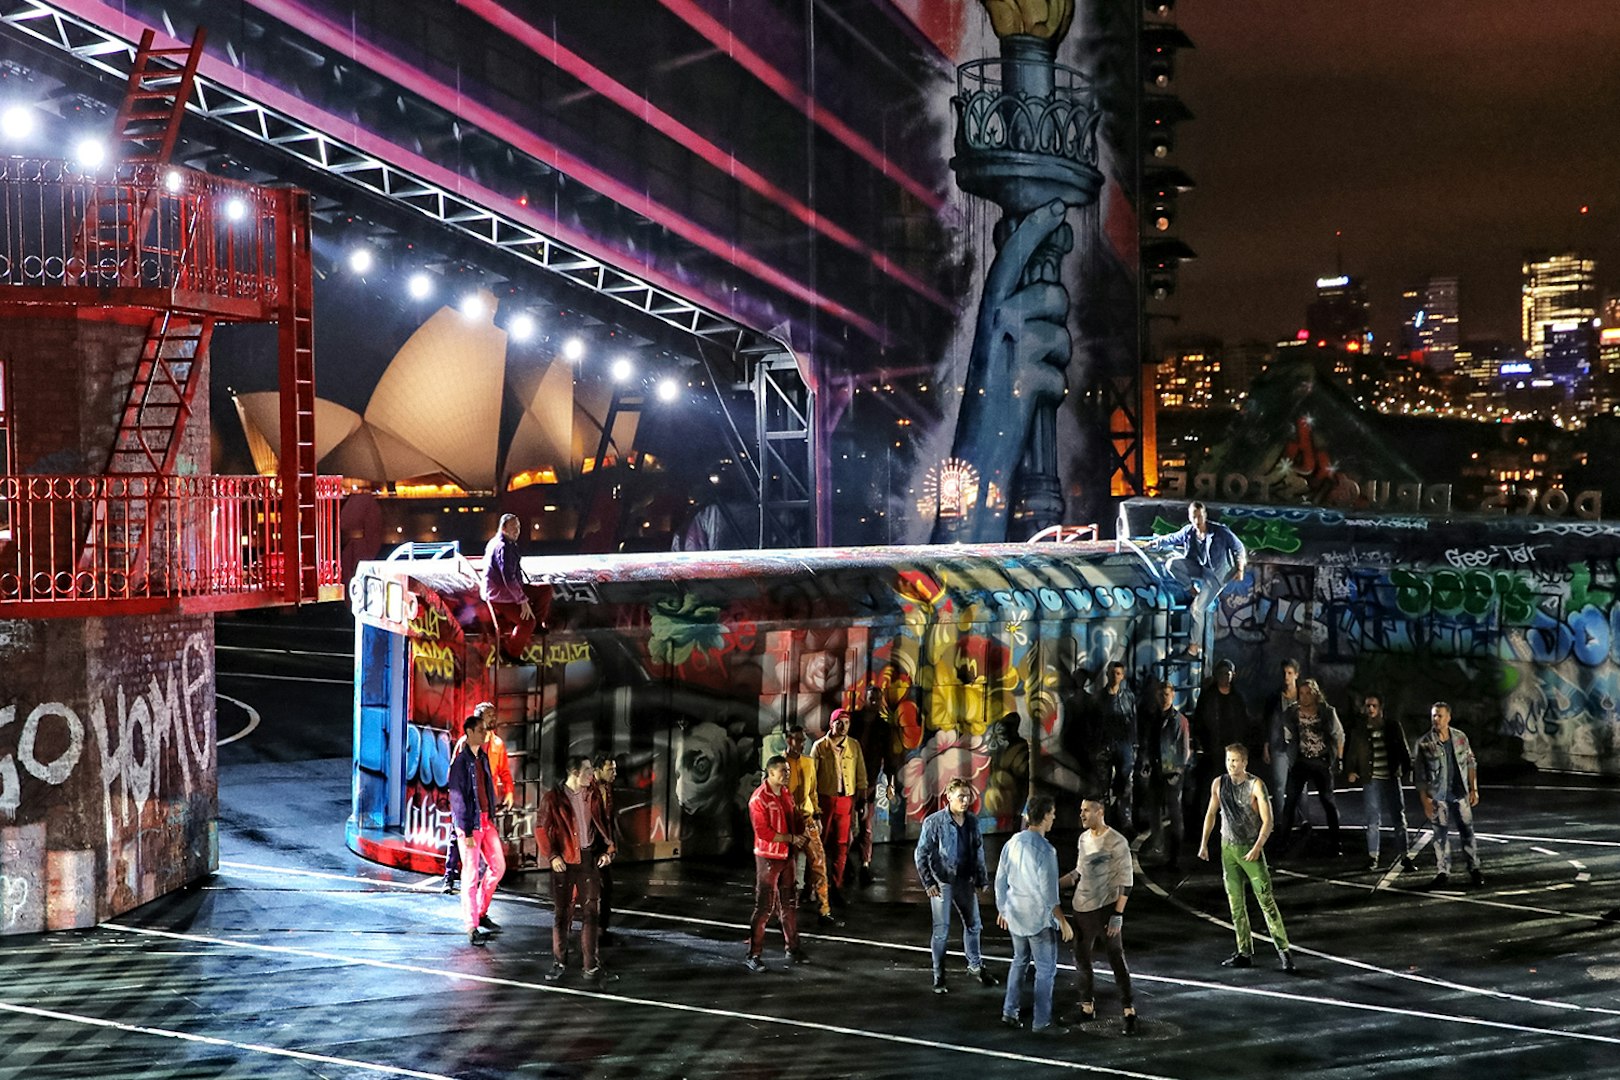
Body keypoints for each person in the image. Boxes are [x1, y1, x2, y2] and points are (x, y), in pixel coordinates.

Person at [1198, 743, 1296, 972]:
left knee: (1265, 899)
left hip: (1250, 848)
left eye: (1235, 760)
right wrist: (1204, 843)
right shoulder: (1218, 784)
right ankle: (1244, 951)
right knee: (1236, 904)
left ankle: (1284, 951)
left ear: (1244, 762)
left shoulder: (1256, 785)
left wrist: (1258, 847)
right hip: (1228, 849)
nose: (1231, 765)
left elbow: (1268, 821)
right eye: (1228, 760)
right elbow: (1211, 813)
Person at [996, 794, 1074, 1034]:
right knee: (1045, 970)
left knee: (1019, 961)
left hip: (1016, 915)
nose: (1053, 819)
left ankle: (1010, 1011)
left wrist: (1003, 909)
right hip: (1038, 920)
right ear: (1045, 816)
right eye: (1052, 814)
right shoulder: (1047, 851)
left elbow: (1000, 880)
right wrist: (1062, 921)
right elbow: (1050, 896)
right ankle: (1041, 1022)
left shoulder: (1012, 842)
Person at [536, 754, 617, 982]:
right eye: (588, 771)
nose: (592, 775)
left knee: (591, 913)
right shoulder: (554, 798)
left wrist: (608, 851)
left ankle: (590, 965)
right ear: (574, 773)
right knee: (563, 914)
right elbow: (541, 828)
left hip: (588, 859)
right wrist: (552, 856)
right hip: (565, 861)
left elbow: (603, 824)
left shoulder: (592, 795)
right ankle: (559, 962)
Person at [1062, 796, 1137, 1033]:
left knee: (1116, 957)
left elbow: (1126, 882)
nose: (1082, 815)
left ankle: (1128, 1010)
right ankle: (1086, 1007)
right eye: (1081, 810)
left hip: (1105, 910)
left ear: (1099, 812)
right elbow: (1079, 871)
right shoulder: (1083, 839)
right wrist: (1055, 884)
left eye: (1086, 811)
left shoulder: (1117, 842)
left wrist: (1118, 914)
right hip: (1082, 908)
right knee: (1081, 959)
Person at [914, 778, 996, 994]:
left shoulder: (972, 821)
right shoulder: (934, 822)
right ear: (948, 797)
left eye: (968, 796)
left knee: (974, 924)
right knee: (942, 930)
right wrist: (928, 881)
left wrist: (981, 878)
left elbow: (978, 850)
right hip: (943, 881)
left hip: (965, 880)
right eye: (961, 796)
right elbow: (921, 853)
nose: (965, 800)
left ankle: (975, 966)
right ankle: (939, 976)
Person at [1143, 501, 1247, 658]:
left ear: (1204, 515)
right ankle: (1190, 588)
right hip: (1200, 568)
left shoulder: (1220, 531)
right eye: (1194, 517)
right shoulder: (1189, 531)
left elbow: (1238, 547)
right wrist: (1154, 543)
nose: (1197, 520)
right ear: (1190, 517)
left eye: (1199, 516)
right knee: (1172, 564)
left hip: (1217, 574)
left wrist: (1240, 568)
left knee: (1197, 609)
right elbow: (1171, 538)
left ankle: (1193, 647)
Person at [446, 710, 505, 947]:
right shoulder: (461, 763)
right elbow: (457, 798)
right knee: (470, 874)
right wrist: (467, 831)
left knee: (498, 866)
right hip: (469, 824)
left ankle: (481, 911)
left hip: (485, 820)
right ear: (469, 732)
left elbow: (487, 787)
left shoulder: (482, 758)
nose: (485, 733)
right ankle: (471, 925)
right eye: (480, 730)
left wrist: (492, 811)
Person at [746, 755, 809, 971]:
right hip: (769, 857)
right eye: (783, 770)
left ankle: (792, 947)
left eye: (788, 770)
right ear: (770, 772)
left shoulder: (785, 794)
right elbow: (763, 832)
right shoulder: (759, 799)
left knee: (789, 904)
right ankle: (754, 954)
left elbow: (793, 818)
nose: (787, 774)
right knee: (764, 906)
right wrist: (791, 838)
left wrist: (803, 823)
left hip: (786, 856)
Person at [444, 701, 513, 894]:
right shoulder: (464, 744)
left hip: (486, 805)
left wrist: (508, 791)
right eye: (489, 715)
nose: (493, 718)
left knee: (487, 843)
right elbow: (454, 772)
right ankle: (449, 877)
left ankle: (488, 879)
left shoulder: (498, 744)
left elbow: (504, 771)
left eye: (494, 714)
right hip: (467, 803)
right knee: (457, 838)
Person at [1344, 693, 1419, 872]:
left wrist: (1409, 769)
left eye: (1374, 706)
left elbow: (1402, 748)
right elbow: (1352, 751)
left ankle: (1404, 856)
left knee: (1398, 817)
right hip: (1371, 778)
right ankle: (1373, 857)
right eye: (1368, 706)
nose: (1370, 709)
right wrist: (1351, 770)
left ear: (1380, 708)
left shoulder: (1392, 726)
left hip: (1391, 777)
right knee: (1372, 819)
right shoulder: (1360, 729)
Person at [1415, 702, 1484, 888]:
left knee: (1467, 832)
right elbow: (1419, 776)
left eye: (1439, 716)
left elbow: (1471, 763)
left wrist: (1473, 788)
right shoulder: (1424, 743)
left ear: (1448, 717)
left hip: (1459, 793)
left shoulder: (1460, 737)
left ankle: (1474, 868)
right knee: (1440, 836)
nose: (1436, 719)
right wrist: (1425, 801)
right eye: (1434, 716)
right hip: (1438, 796)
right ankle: (1443, 871)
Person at [1277, 678, 1345, 855]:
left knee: (1328, 802)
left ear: (1315, 694)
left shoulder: (1327, 712)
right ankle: (1282, 842)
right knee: (1290, 801)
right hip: (1300, 761)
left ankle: (1336, 843)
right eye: (1302, 693)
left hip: (1321, 761)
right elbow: (1287, 734)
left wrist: (1339, 758)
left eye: (1308, 693)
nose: (1305, 697)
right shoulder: (1292, 712)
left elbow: (1339, 735)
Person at [783, 725, 839, 927]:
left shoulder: (808, 762)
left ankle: (824, 908)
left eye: (803, 740)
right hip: (786, 822)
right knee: (787, 867)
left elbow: (813, 792)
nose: (801, 744)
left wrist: (817, 815)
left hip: (806, 820)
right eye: (797, 740)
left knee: (819, 862)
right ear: (788, 740)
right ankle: (787, 907)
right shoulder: (780, 763)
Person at [812, 708, 867, 901]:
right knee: (819, 844)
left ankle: (836, 886)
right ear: (831, 724)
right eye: (839, 722)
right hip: (825, 800)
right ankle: (814, 887)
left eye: (846, 722)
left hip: (846, 801)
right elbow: (812, 779)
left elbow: (861, 775)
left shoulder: (854, 746)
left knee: (841, 845)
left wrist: (862, 800)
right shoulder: (820, 747)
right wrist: (814, 806)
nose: (843, 726)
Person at [1190, 659, 1255, 814]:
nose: (1224, 677)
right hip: (1212, 749)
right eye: (1221, 673)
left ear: (1233, 675)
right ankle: (1204, 822)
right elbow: (1199, 721)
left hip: (1232, 749)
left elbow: (1245, 724)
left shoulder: (1238, 698)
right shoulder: (1208, 697)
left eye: (1227, 673)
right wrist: (1200, 745)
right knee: (1209, 787)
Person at [1142, 681, 1194, 872]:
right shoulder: (1154, 718)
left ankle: (1175, 855)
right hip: (1157, 770)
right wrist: (1147, 763)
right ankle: (1158, 846)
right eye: (1161, 694)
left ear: (1172, 696)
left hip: (1172, 772)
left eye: (1167, 694)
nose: (1164, 698)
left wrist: (1178, 771)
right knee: (1155, 811)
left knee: (1174, 814)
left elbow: (1184, 749)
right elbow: (1149, 743)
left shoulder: (1179, 720)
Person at [1089, 661, 1138, 835]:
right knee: (1103, 787)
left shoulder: (1128, 697)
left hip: (1124, 746)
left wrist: (1134, 746)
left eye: (1118, 673)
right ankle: (1104, 821)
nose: (1114, 676)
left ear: (1122, 676)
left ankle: (1125, 821)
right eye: (1112, 673)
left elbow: (1133, 722)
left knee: (1125, 785)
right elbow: (1092, 724)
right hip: (1104, 746)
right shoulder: (1099, 698)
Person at [481, 513, 537, 662]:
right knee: (528, 622)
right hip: (499, 595)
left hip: (503, 591)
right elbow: (508, 578)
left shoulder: (502, 543)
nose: (517, 531)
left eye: (518, 527)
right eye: (513, 527)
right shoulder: (503, 547)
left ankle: (535, 624)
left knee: (544, 590)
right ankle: (512, 653)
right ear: (504, 528)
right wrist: (522, 600)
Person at [1262, 658, 1303, 829]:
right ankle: (1280, 821)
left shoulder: (1304, 696)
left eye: (1290, 673)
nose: (1286, 677)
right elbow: (1266, 722)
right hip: (1278, 745)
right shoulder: (1274, 697)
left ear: (1296, 675)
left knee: (1301, 786)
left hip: (1299, 746)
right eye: (1284, 673)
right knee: (1279, 785)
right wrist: (1266, 745)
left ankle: (1303, 820)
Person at [595, 753, 622, 944]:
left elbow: (609, 820)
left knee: (607, 889)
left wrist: (612, 845)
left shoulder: (608, 789)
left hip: (604, 845)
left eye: (615, 769)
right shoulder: (589, 790)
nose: (614, 773)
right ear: (598, 770)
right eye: (610, 769)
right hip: (592, 846)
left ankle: (602, 929)